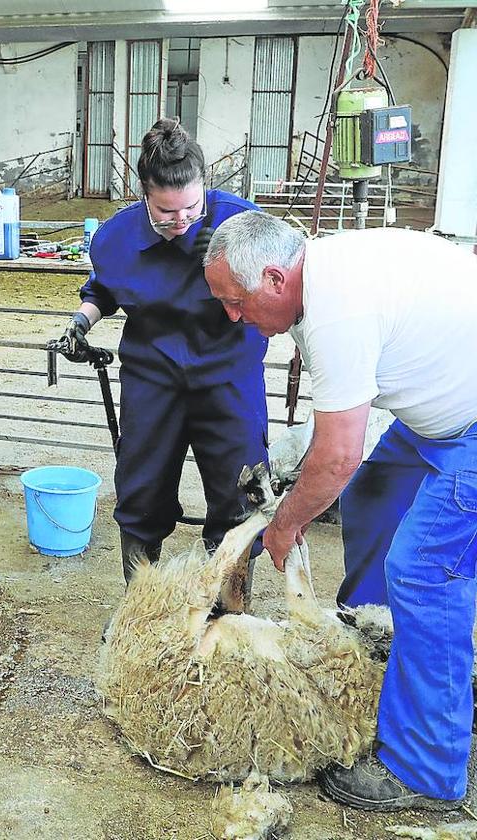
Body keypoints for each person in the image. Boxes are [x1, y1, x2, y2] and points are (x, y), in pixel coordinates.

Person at [203, 211, 477, 812]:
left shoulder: (337, 309)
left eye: (235, 300)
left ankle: (427, 768)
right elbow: (339, 431)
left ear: (275, 278)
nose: (232, 315)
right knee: (376, 491)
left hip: (471, 424)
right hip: (443, 408)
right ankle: (377, 653)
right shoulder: (321, 276)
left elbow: (338, 453)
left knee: (426, 571)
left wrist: (285, 522)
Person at [52, 118, 269, 587]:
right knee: (141, 487)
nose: (182, 220)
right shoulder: (115, 237)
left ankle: (228, 605)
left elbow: (280, 281)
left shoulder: (241, 221)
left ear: (204, 187)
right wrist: (80, 321)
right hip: (154, 376)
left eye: (191, 206)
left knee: (241, 488)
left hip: (229, 373)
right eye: (166, 211)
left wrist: (233, 258)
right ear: (143, 194)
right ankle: (140, 606)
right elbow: (103, 288)